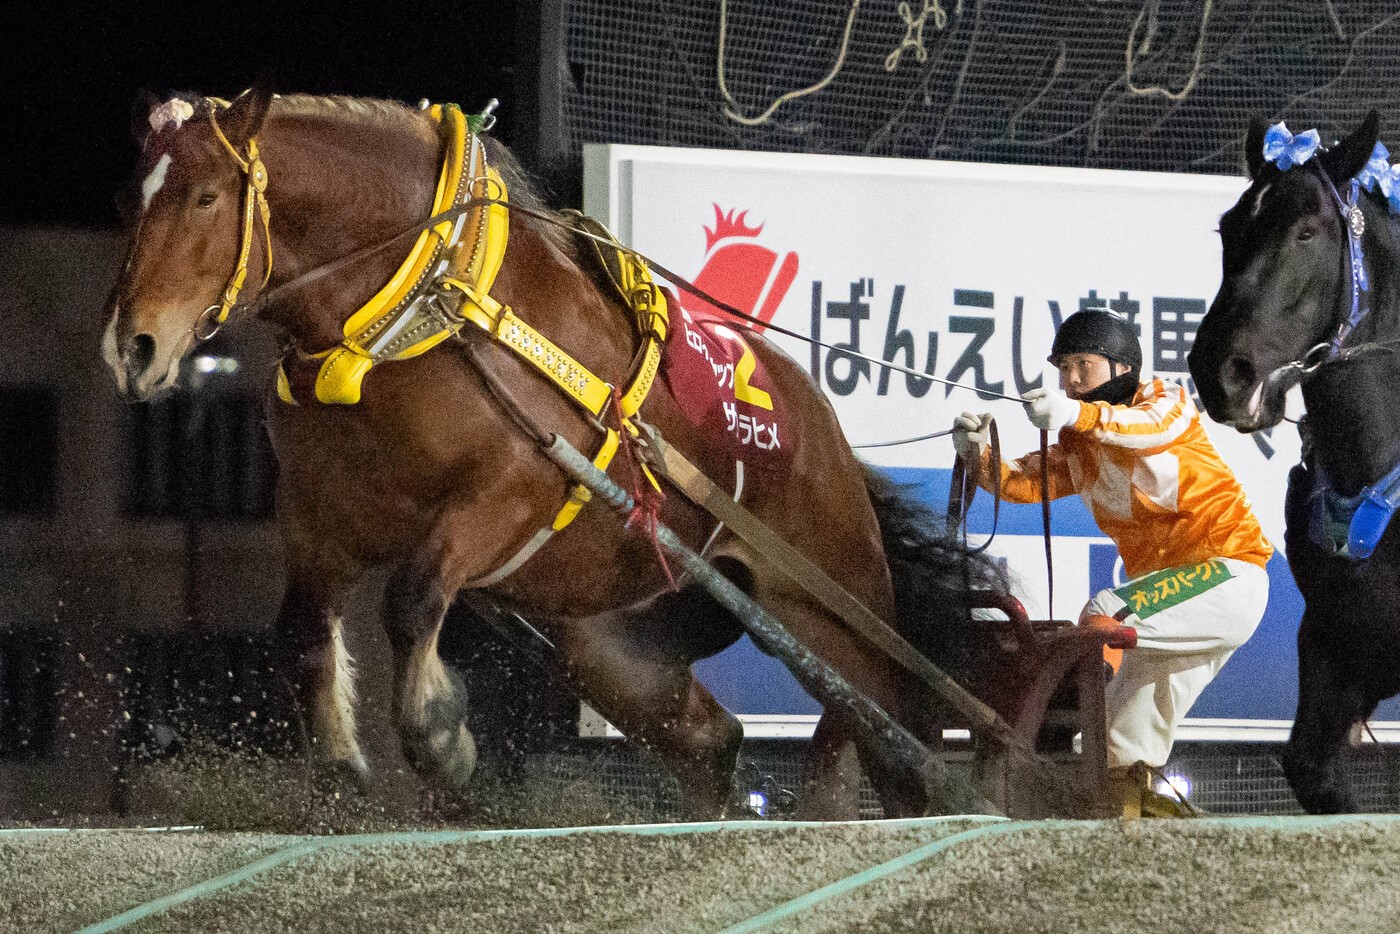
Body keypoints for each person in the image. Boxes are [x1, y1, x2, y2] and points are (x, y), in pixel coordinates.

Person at [952, 309, 1272, 818]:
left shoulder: (1167, 403)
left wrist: (1076, 416)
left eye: (1083, 364)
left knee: (1108, 609)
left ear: (1123, 368)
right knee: (1116, 745)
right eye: (1062, 367)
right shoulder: (1082, 444)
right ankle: (1130, 843)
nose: (1070, 379)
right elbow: (1023, 483)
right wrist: (978, 457)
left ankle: (1048, 710)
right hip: (1179, 600)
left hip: (1227, 575)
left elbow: (1144, 430)